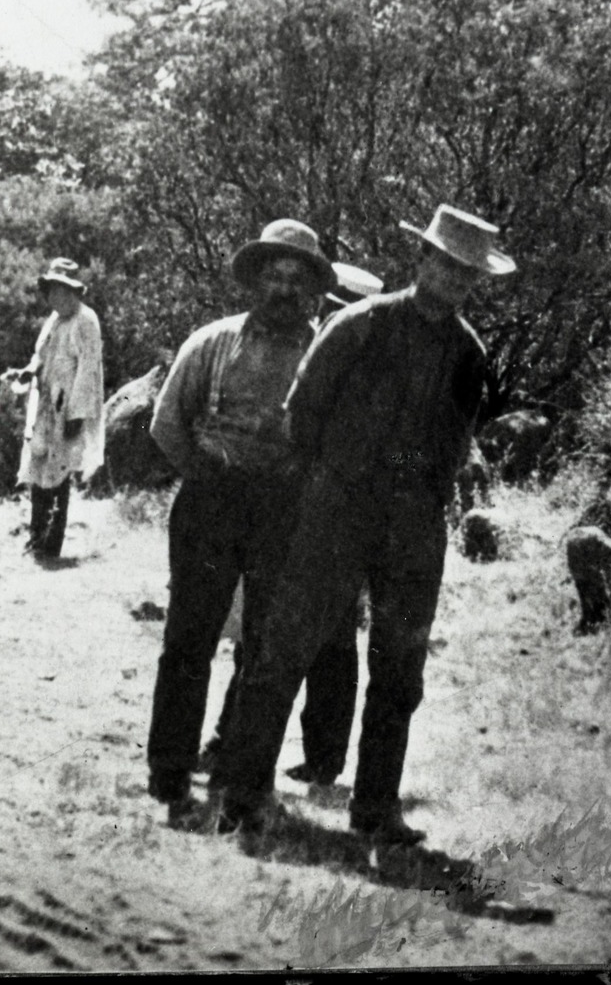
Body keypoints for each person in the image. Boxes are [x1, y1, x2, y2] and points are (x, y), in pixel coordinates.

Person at [212, 205, 511, 845]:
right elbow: (301, 416)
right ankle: (243, 793)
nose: (454, 279)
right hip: (336, 511)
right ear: (422, 260)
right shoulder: (359, 325)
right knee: (286, 648)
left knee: (401, 669)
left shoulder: (468, 352)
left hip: (414, 526)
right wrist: (343, 476)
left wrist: (408, 474)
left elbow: (454, 446)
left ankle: (376, 808)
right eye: (446, 264)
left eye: (467, 273)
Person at [142, 219, 337, 816]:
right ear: (255, 281)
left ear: (309, 287)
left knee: (264, 649)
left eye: (294, 278)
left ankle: (241, 775)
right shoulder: (213, 342)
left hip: (282, 511)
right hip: (211, 501)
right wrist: (205, 476)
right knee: (188, 640)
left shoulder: (324, 354)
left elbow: (333, 441)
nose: (282, 288)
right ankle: (170, 771)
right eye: (272, 275)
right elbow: (167, 422)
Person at [200, 259, 383, 789]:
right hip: (287, 509)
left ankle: (320, 757)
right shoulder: (307, 351)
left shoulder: (363, 367)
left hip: (334, 514)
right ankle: (234, 741)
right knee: (264, 631)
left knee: (329, 641)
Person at [9, 259, 104, 560]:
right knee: (38, 467)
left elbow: (88, 370)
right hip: (46, 402)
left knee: (59, 474)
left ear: (73, 292)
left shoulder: (86, 320)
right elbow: (40, 355)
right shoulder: (54, 320)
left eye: (61, 290)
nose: (54, 297)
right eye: (51, 291)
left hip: (67, 405)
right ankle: (35, 535)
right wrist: (29, 371)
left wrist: (77, 413)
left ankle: (52, 541)